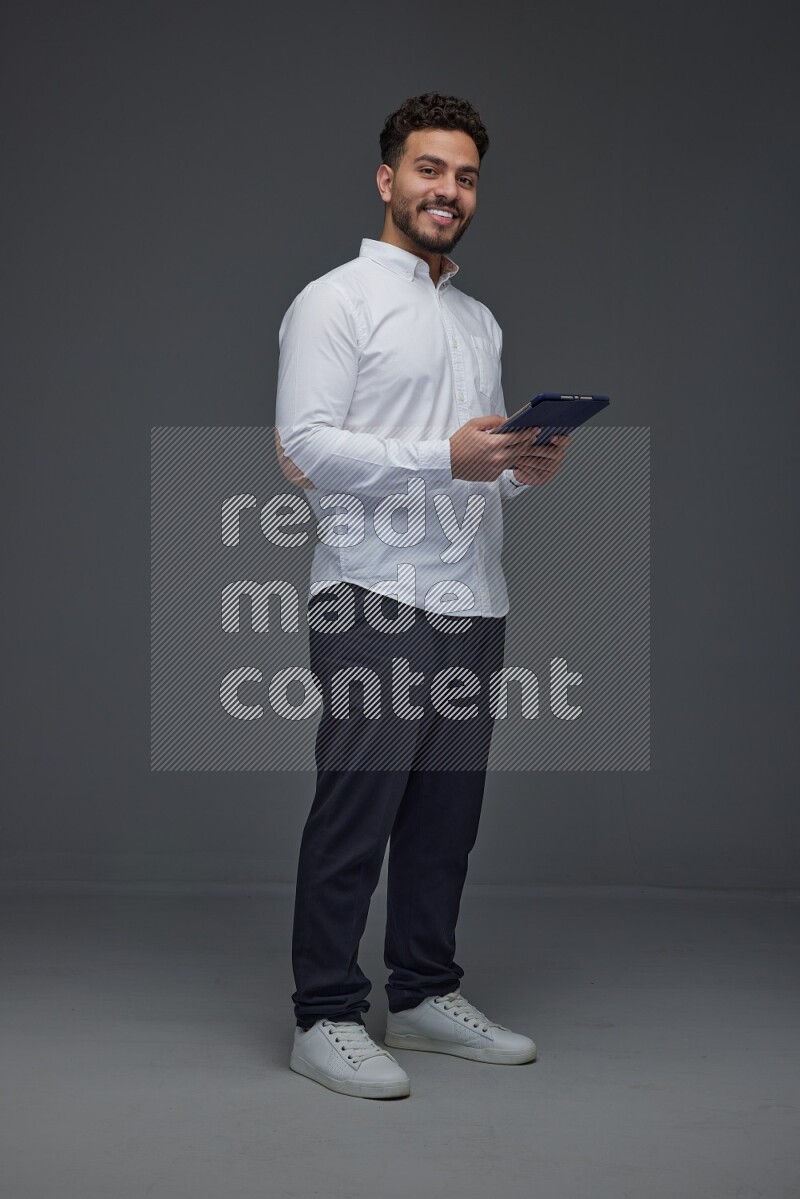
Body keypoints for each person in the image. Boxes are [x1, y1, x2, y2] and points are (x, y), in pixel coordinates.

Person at [274, 92, 570, 1100]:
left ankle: (422, 993)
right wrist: (442, 455)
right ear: (387, 179)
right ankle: (322, 1012)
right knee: (357, 810)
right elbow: (305, 447)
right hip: (370, 596)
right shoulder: (333, 301)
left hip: (469, 597)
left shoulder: (476, 319)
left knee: (446, 815)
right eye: (430, 170)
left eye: (466, 176)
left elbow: (463, 469)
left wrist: (514, 472)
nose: (448, 190)